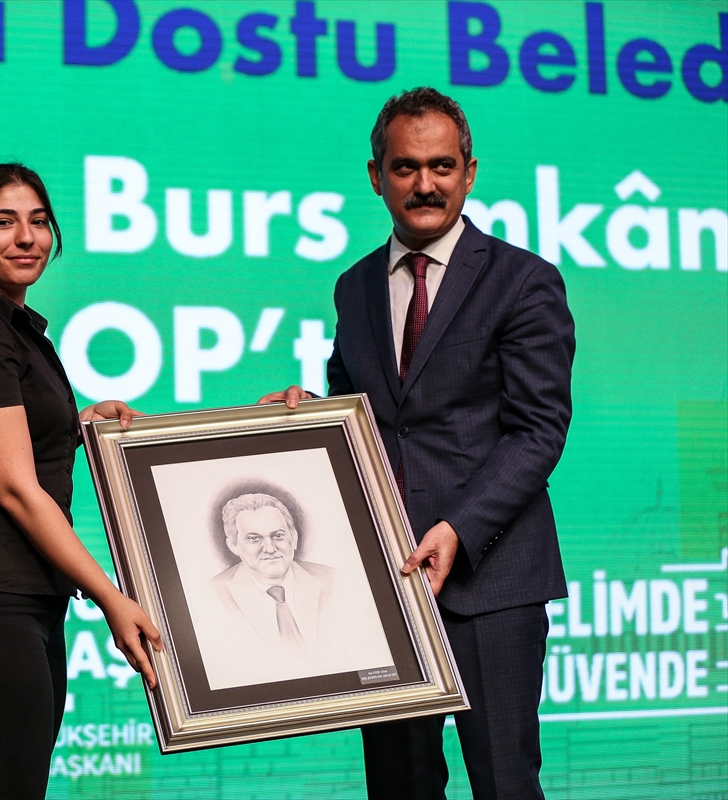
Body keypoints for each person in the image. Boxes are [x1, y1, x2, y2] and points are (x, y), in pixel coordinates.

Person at [260, 87, 575, 799]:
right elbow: (365, 417)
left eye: (442, 166)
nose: (425, 184)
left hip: (492, 580)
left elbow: (538, 430)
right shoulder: (354, 287)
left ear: (469, 172)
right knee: (398, 787)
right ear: (377, 176)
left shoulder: (524, 282)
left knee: (504, 784)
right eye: (405, 167)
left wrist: (458, 529)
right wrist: (308, 418)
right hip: (387, 584)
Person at [0, 163, 163, 800]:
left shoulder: (11, 328)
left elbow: (4, 444)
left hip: (21, 603)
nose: (27, 237)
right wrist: (111, 597)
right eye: (4, 222)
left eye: (39, 221)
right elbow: (15, 488)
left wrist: (77, 426)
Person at [196, 493, 392, 687]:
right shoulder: (208, 598)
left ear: (294, 537)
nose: (270, 548)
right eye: (254, 538)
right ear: (233, 545)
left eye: (278, 535)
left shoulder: (337, 582)